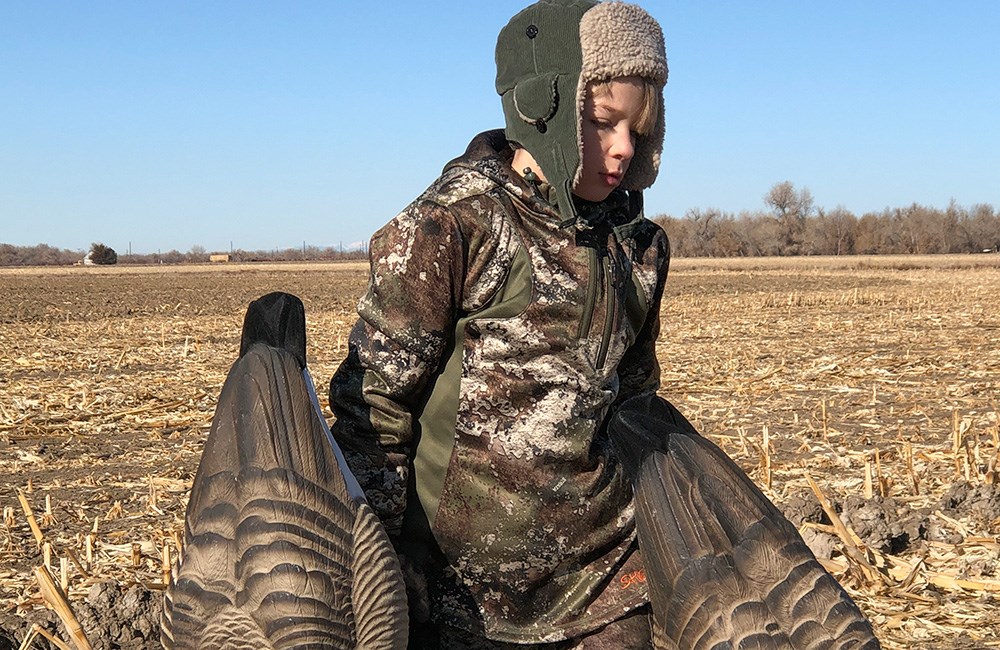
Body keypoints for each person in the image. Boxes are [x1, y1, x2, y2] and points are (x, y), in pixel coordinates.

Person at [329, 1, 669, 646]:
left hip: (605, 585)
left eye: (639, 129)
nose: (624, 149)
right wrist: (382, 560)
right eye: (600, 124)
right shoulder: (454, 227)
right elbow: (373, 404)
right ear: (541, 107)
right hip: (464, 593)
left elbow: (634, 399)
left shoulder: (640, 247)